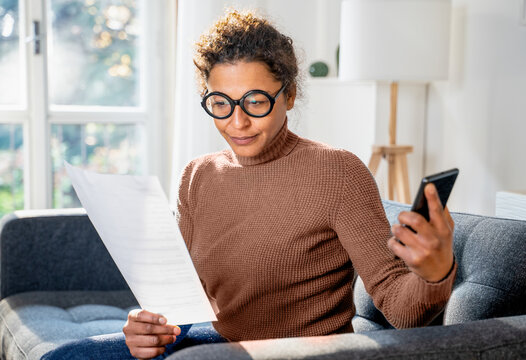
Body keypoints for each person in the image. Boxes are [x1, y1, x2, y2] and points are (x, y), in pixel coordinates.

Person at [122, 9, 457, 360]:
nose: (238, 122)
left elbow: (401, 310)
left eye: (255, 101)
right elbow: (181, 299)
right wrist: (150, 327)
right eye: (220, 103)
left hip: (306, 354)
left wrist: (435, 275)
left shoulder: (338, 172)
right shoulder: (197, 175)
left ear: (290, 95)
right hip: (222, 349)